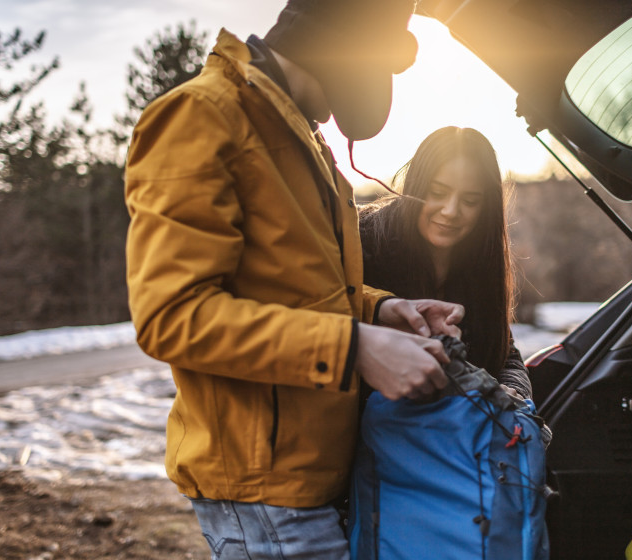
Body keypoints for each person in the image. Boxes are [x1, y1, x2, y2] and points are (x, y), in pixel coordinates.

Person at [123, 1, 466, 558]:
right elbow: (172, 318)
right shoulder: (202, 116)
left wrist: (380, 311)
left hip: (317, 473)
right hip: (264, 490)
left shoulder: (300, 135)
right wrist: (354, 347)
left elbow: (296, 288)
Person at [360, 126, 532, 398]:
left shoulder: (482, 262)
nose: (451, 211)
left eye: (470, 200)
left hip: (451, 434)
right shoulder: (365, 243)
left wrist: (514, 392)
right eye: (437, 193)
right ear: (416, 185)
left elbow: (505, 352)